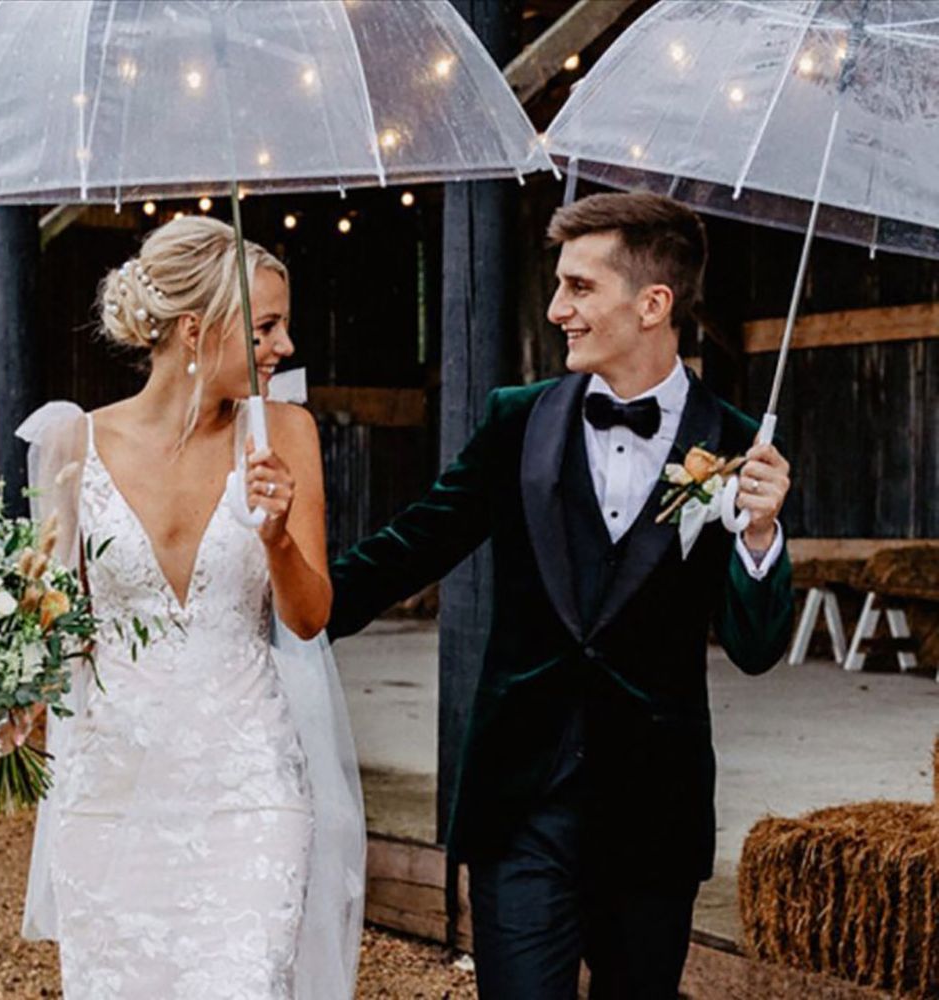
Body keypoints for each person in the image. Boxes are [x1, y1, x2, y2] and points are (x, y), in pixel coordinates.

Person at [328, 192, 793, 999]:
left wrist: (758, 533)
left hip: (655, 812)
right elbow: (413, 545)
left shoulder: (739, 447)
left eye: (579, 287)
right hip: (522, 803)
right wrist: (287, 608)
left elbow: (755, 649)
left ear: (653, 304)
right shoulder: (517, 420)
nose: (556, 309)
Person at [11, 216, 364, 999]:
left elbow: (309, 617)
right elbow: (52, 624)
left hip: (249, 787)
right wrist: (0, 706)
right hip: (110, 787)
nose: (284, 346)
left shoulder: (284, 434)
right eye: (265, 327)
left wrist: (277, 537)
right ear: (196, 330)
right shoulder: (73, 445)